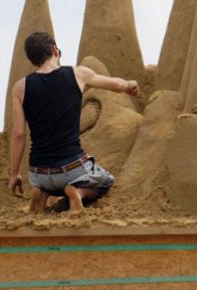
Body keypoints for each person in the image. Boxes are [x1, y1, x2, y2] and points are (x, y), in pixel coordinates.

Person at [8, 31, 139, 213]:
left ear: (32, 59)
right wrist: (129, 84)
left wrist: (14, 174)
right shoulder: (78, 74)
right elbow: (115, 85)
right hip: (72, 168)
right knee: (106, 180)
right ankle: (77, 191)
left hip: (39, 173)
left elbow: (19, 134)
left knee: (47, 182)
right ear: (55, 50)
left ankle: (42, 193)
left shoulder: (20, 87)